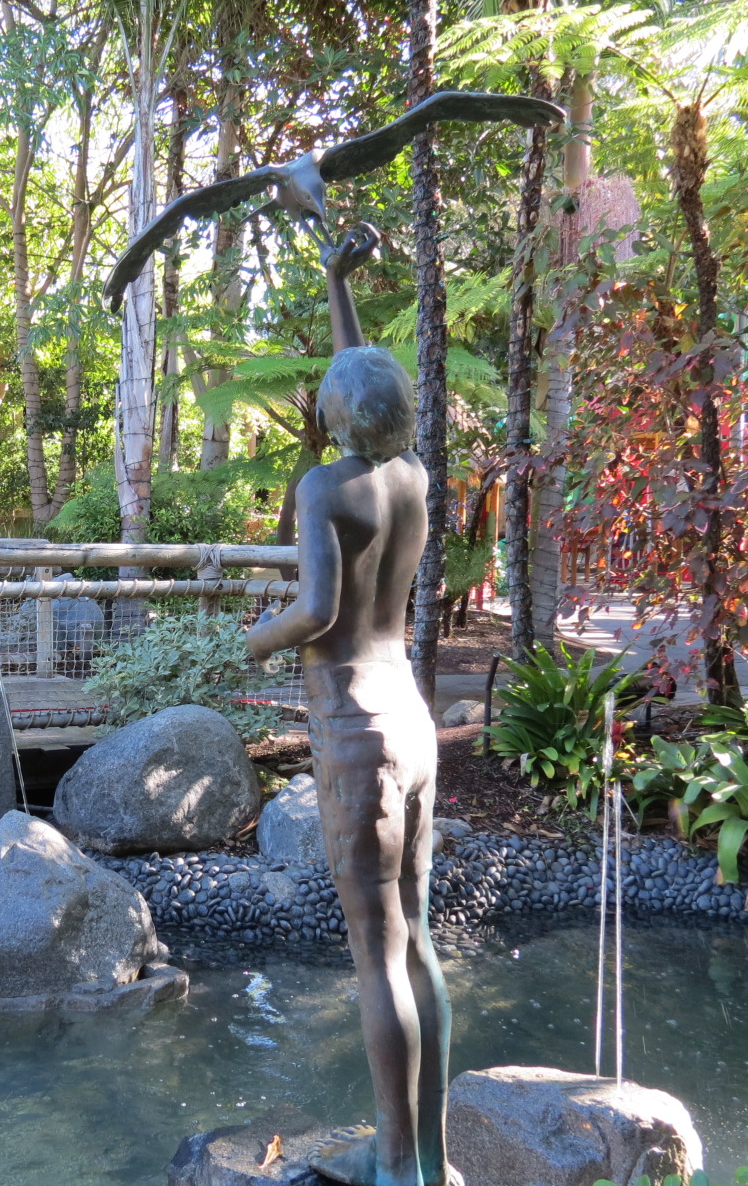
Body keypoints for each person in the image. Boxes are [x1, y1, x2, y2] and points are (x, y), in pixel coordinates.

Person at [245, 227, 456, 1186]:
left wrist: (253, 636)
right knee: (418, 937)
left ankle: (399, 1169)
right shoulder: (411, 477)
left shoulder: (323, 488)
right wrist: (336, 281)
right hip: (412, 719)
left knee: (377, 955)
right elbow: (363, 381)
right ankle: (425, 1152)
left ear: (332, 419)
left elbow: (320, 610)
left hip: (354, 727)